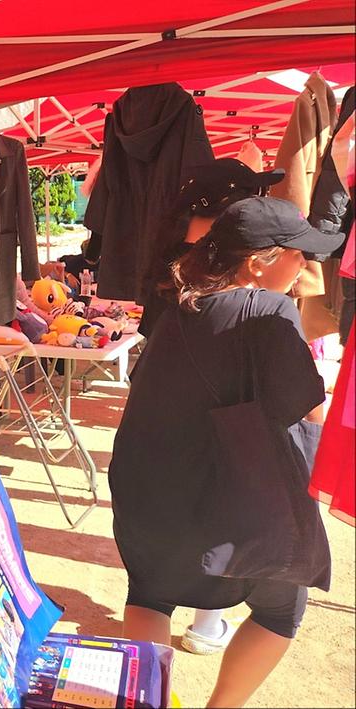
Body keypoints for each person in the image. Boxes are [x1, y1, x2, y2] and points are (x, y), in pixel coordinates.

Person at [108, 197, 334, 708]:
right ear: (257, 263)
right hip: (229, 499)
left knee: (150, 594)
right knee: (280, 608)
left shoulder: (178, 307)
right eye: (297, 254)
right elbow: (306, 411)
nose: (304, 266)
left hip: (146, 490)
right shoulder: (270, 310)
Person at [139, 159, 285, 338]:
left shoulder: (169, 259)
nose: (259, 204)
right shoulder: (209, 268)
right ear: (230, 207)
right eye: (255, 196)